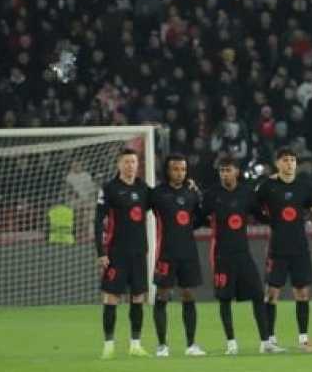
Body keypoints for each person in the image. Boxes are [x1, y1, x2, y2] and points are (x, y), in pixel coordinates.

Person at [199, 157, 268, 355]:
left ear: (237, 171)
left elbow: (260, 214)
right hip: (221, 254)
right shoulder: (212, 195)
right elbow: (200, 217)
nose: (224, 174)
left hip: (243, 253)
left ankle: (265, 341)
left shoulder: (246, 193)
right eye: (221, 171)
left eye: (228, 170)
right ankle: (231, 343)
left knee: (257, 295)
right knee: (224, 299)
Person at [255, 148, 312, 351]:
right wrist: (269, 220)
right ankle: (269, 340)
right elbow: (253, 203)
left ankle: (303, 339)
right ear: (277, 163)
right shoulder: (268, 186)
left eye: (292, 160)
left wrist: (306, 218)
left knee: (302, 293)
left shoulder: (304, 186)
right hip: (277, 248)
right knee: (272, 293)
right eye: (285, 160)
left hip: (299, 247)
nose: (289, 163)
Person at [95, 147, 152, 359]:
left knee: (138, 297)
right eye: (127, 162)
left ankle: (135, 344)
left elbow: (165, 199)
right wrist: (101, 251)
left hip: (138, 253)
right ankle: (108, 344)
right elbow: (97, 221)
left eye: (134, 162)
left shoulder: (143, 188)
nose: (131, 166)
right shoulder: (109, 189)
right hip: (116, 252)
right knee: (111, 297)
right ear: (119, 164)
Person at [150, 153, 206, 357]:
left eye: (183, 169)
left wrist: (199, 193)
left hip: (188, 253)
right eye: (175, 169)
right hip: (166, 253)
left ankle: (191, 345)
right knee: (162, 295)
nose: (180, 173)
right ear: (167, 170)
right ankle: (162, 345)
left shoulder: (191, 193)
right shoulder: (157, 194)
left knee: (189, 295)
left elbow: (200, 218)